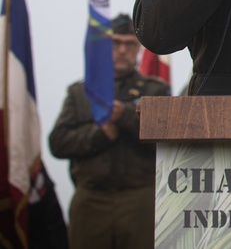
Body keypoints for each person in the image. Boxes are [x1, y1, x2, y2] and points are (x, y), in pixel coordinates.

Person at [48, 14, 171, 249]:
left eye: (129, 44)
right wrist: (100, 134)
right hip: (91, 199)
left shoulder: (155, 91)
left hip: (140, 199)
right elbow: (58, 142)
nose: (122, 50)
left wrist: (125, 117)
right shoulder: (80, 93)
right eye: (115, 43)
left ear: (138, 49)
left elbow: (165, 142)